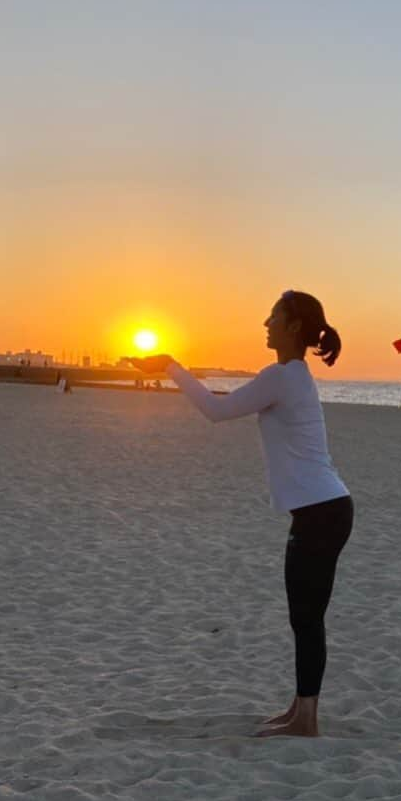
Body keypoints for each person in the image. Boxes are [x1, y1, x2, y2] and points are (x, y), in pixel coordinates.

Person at [130, 290, 353, 738]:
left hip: (321, 513)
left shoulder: (283, 376)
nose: (265, 323)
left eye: (273, 316)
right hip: (323, 510)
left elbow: (217, 410)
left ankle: (305, 719)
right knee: (304, 617)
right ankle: (299, 709)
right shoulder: (292, 376)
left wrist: (172, 366)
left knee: (306, 618)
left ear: (292, 327)